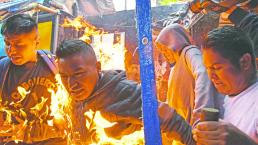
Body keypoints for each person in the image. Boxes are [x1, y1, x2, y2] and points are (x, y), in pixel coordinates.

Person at [56, 39, 196, 145]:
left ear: (97, 67)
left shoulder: (124, 92)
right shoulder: (74, 97)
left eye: (78, 74)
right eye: (64, 76)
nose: (71, 84)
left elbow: (172, 122)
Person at [0, 14, 66, 144]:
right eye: (7, 43)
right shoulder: (2, 70)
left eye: (18, 44)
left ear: (36, 41)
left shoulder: (55, 66)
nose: (11, 50)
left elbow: (71, 116)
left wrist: (38, 132)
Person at [155, 24, 222, 145]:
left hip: (196, 127)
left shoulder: (190, 52)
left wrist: (201, 113)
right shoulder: (175, 67)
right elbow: (173, 102)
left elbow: (203, 73)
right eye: (162, 50)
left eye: (166, 48)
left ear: (175, 41)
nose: (165, 53)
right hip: (184, 130)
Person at [193, 26, 258, 144]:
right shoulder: (230, 96)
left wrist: (242, 142)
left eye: (216, 68)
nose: (211, 76)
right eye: (208, 68)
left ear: (245, 62)